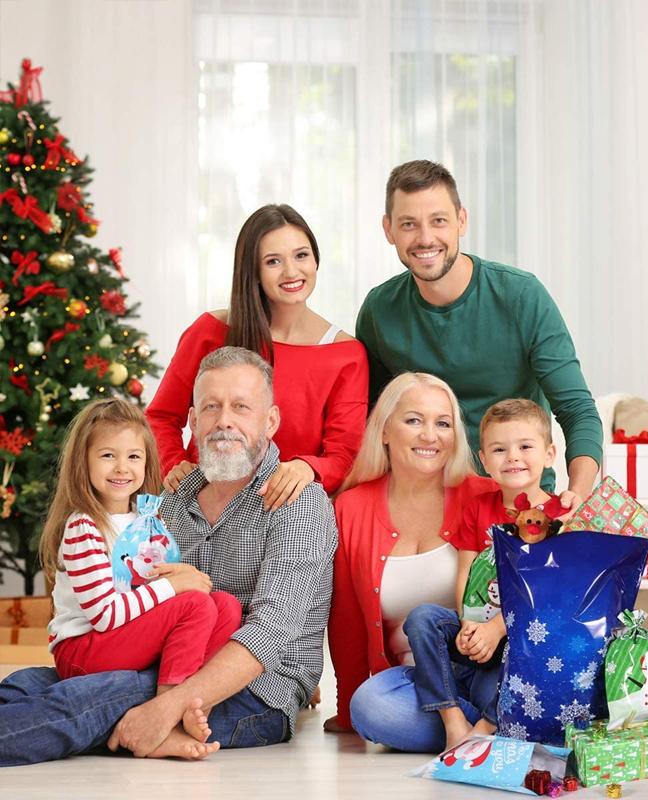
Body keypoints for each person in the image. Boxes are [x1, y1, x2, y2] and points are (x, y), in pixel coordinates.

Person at [0, 346, 337, 766]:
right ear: (193, 421)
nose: (224, 421)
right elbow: (134, 600)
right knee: (28, 682)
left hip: (254, 693)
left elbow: (268, 635)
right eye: (211, 407)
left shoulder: (298, 502)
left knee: (84, 698)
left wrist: (168, 708)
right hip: (160, 665)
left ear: (270, 421)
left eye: (241, 407)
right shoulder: (173, 498)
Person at [356, 159, 602, 511]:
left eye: (438, 221)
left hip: (514, 504)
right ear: (388, 229)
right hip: (423, 505)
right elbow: (371, 420)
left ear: (461, 220)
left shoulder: (521, 296)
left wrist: (577, 495)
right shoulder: (380, 310)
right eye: (409, 224)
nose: (425, 238)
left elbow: (577, 409)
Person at [38, 397, 241, 759]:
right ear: (82, 462)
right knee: (193, 603)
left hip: (123, 639)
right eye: (107, 456)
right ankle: (165, 722)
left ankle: (192, 702)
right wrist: (174, 588)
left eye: (133, 456)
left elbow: (152, 590)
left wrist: (180, 576)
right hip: (84, 648)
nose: (121, 467)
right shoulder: (84, 526)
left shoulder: (146, 521)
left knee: (223, 605)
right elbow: (105, 615)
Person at [147, 203, 368, 507]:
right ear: (253, 271)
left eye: (301, 255)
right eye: (273, 261)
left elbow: (344, 455)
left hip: (285, 514)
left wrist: (307, 467)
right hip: (203, 505)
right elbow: (160, 416)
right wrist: (173, 463)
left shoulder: (345, 355)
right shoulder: (210, 331)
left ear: (316, 260)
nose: (292, 271)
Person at [324, 372, 496, 753]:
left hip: (488, 667)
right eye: (414, 420)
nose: (429, 436)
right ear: (384, 430)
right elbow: (347, 621)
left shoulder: (486, 495)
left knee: (510, 681)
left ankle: (481, 724)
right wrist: (347, 709)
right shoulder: (350, 508)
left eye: (443, 423)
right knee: (371, 707)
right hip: (414, 681)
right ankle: (498, 725)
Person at [404, 398, 565, 750]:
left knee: (548, 638)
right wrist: (466, 623)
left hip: (520, 640)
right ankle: (452, 719)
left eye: (525, 446)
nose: (513, 457)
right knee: (422, 618)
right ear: (484, 460)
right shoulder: (479, 509)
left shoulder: (556, 520)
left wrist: (497, 629)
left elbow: (546, 598)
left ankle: (487, 724)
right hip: (475, 631)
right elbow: (465, 572)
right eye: (499, 449)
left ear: (550, 454)